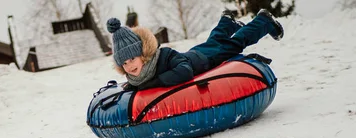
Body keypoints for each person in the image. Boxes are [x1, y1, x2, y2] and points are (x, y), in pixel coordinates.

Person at [107, 9, 284, 91]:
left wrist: (155, 83)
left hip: (206, 60)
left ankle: (264, 21)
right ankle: (228, 22)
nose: (129, 66)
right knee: (215, 40)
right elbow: (143, 81)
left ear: (143, 54)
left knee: (236, 43)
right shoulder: (138, 76)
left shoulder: (165, 56)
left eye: (132, 59)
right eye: (124, 62)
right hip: (197, 53)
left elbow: (185, 72)